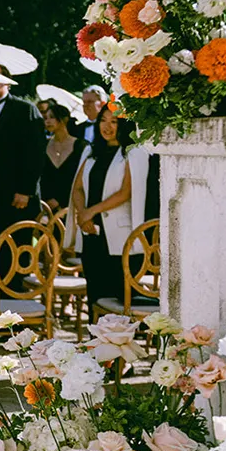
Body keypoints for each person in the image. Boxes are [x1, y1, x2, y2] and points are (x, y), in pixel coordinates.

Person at [69, 112, 154, 306]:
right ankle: (94, 334)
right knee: (95, 293)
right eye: (103, 121)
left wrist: (91, 211)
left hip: (119, 235)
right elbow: (78, 188)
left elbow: (126, 192)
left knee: (119, 295)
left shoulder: (134, 151)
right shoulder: (91, 151)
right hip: (90, 230)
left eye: (114, 122)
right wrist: (83, 214)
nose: (107, 126)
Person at [0, 63, 46, 230]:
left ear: (7, 82)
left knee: (16, 251)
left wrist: (26, 190)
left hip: (17, 198)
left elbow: (35, 152)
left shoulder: (25, 110)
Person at [38, 99, 85, 213]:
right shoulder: (43, 144)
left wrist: (60, 200)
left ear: (64, 119)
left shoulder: (80, 146)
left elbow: (81, 178)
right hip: (45, 207)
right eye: (45, 118)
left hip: (72, 205)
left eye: (52, 117)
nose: (48, 121)